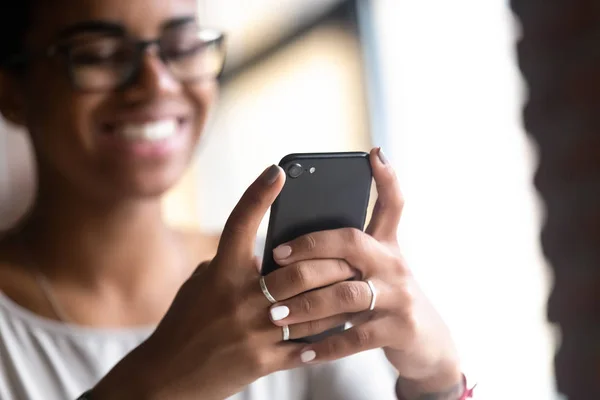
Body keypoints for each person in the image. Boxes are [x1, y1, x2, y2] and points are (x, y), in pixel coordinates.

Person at [0, 0, 472, 399]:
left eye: (182, 48)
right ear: (11, 88)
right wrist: (155, 384)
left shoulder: (290, 284)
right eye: (99, 54)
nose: (158, 83)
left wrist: (436, 382)